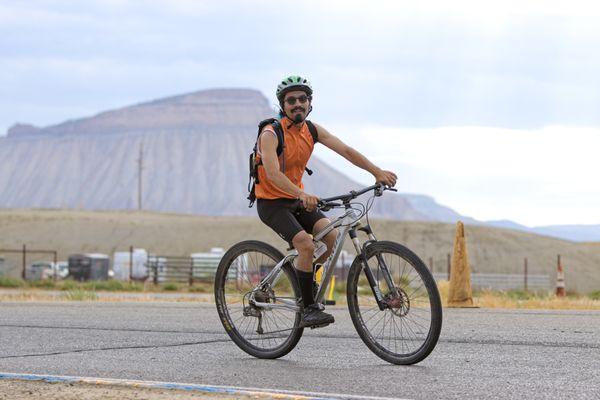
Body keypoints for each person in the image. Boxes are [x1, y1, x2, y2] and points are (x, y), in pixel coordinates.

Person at [255, 75, 397, 328]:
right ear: (282, 105)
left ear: (310, 103)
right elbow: (273, 173)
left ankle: (304, 281)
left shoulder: (311, 130)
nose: (298, 104)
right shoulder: (271, 133)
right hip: (272, 203)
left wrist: (376, 171)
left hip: (297, 200)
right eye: (291, 101)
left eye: (303, 99)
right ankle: (308, 308)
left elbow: (346, 151)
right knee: (306, 246)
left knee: (331, 240)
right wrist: (301, 194)